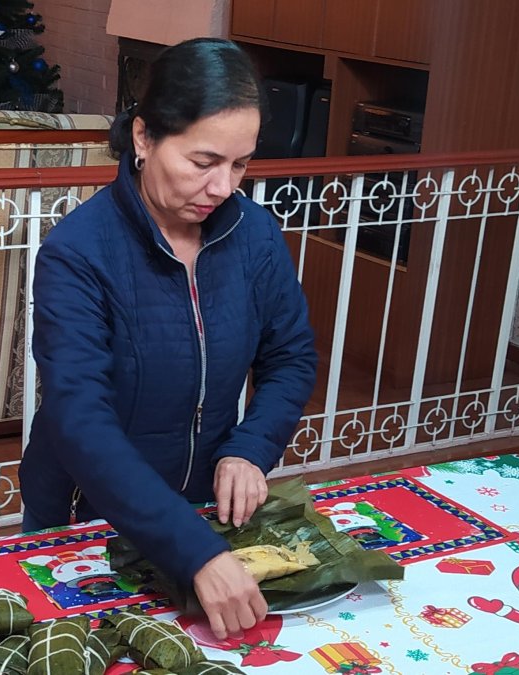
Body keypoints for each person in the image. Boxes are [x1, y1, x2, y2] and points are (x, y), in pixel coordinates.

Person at [18, 37, 317, 639]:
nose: (223, 187)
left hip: (206, 513)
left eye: (240, 164)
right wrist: (196, 552)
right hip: (88, 516)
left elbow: (291, 358)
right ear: (144, 137)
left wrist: (249, 448)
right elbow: (81, 419)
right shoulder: (78, 252)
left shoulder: (255, 235)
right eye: (204, 162)